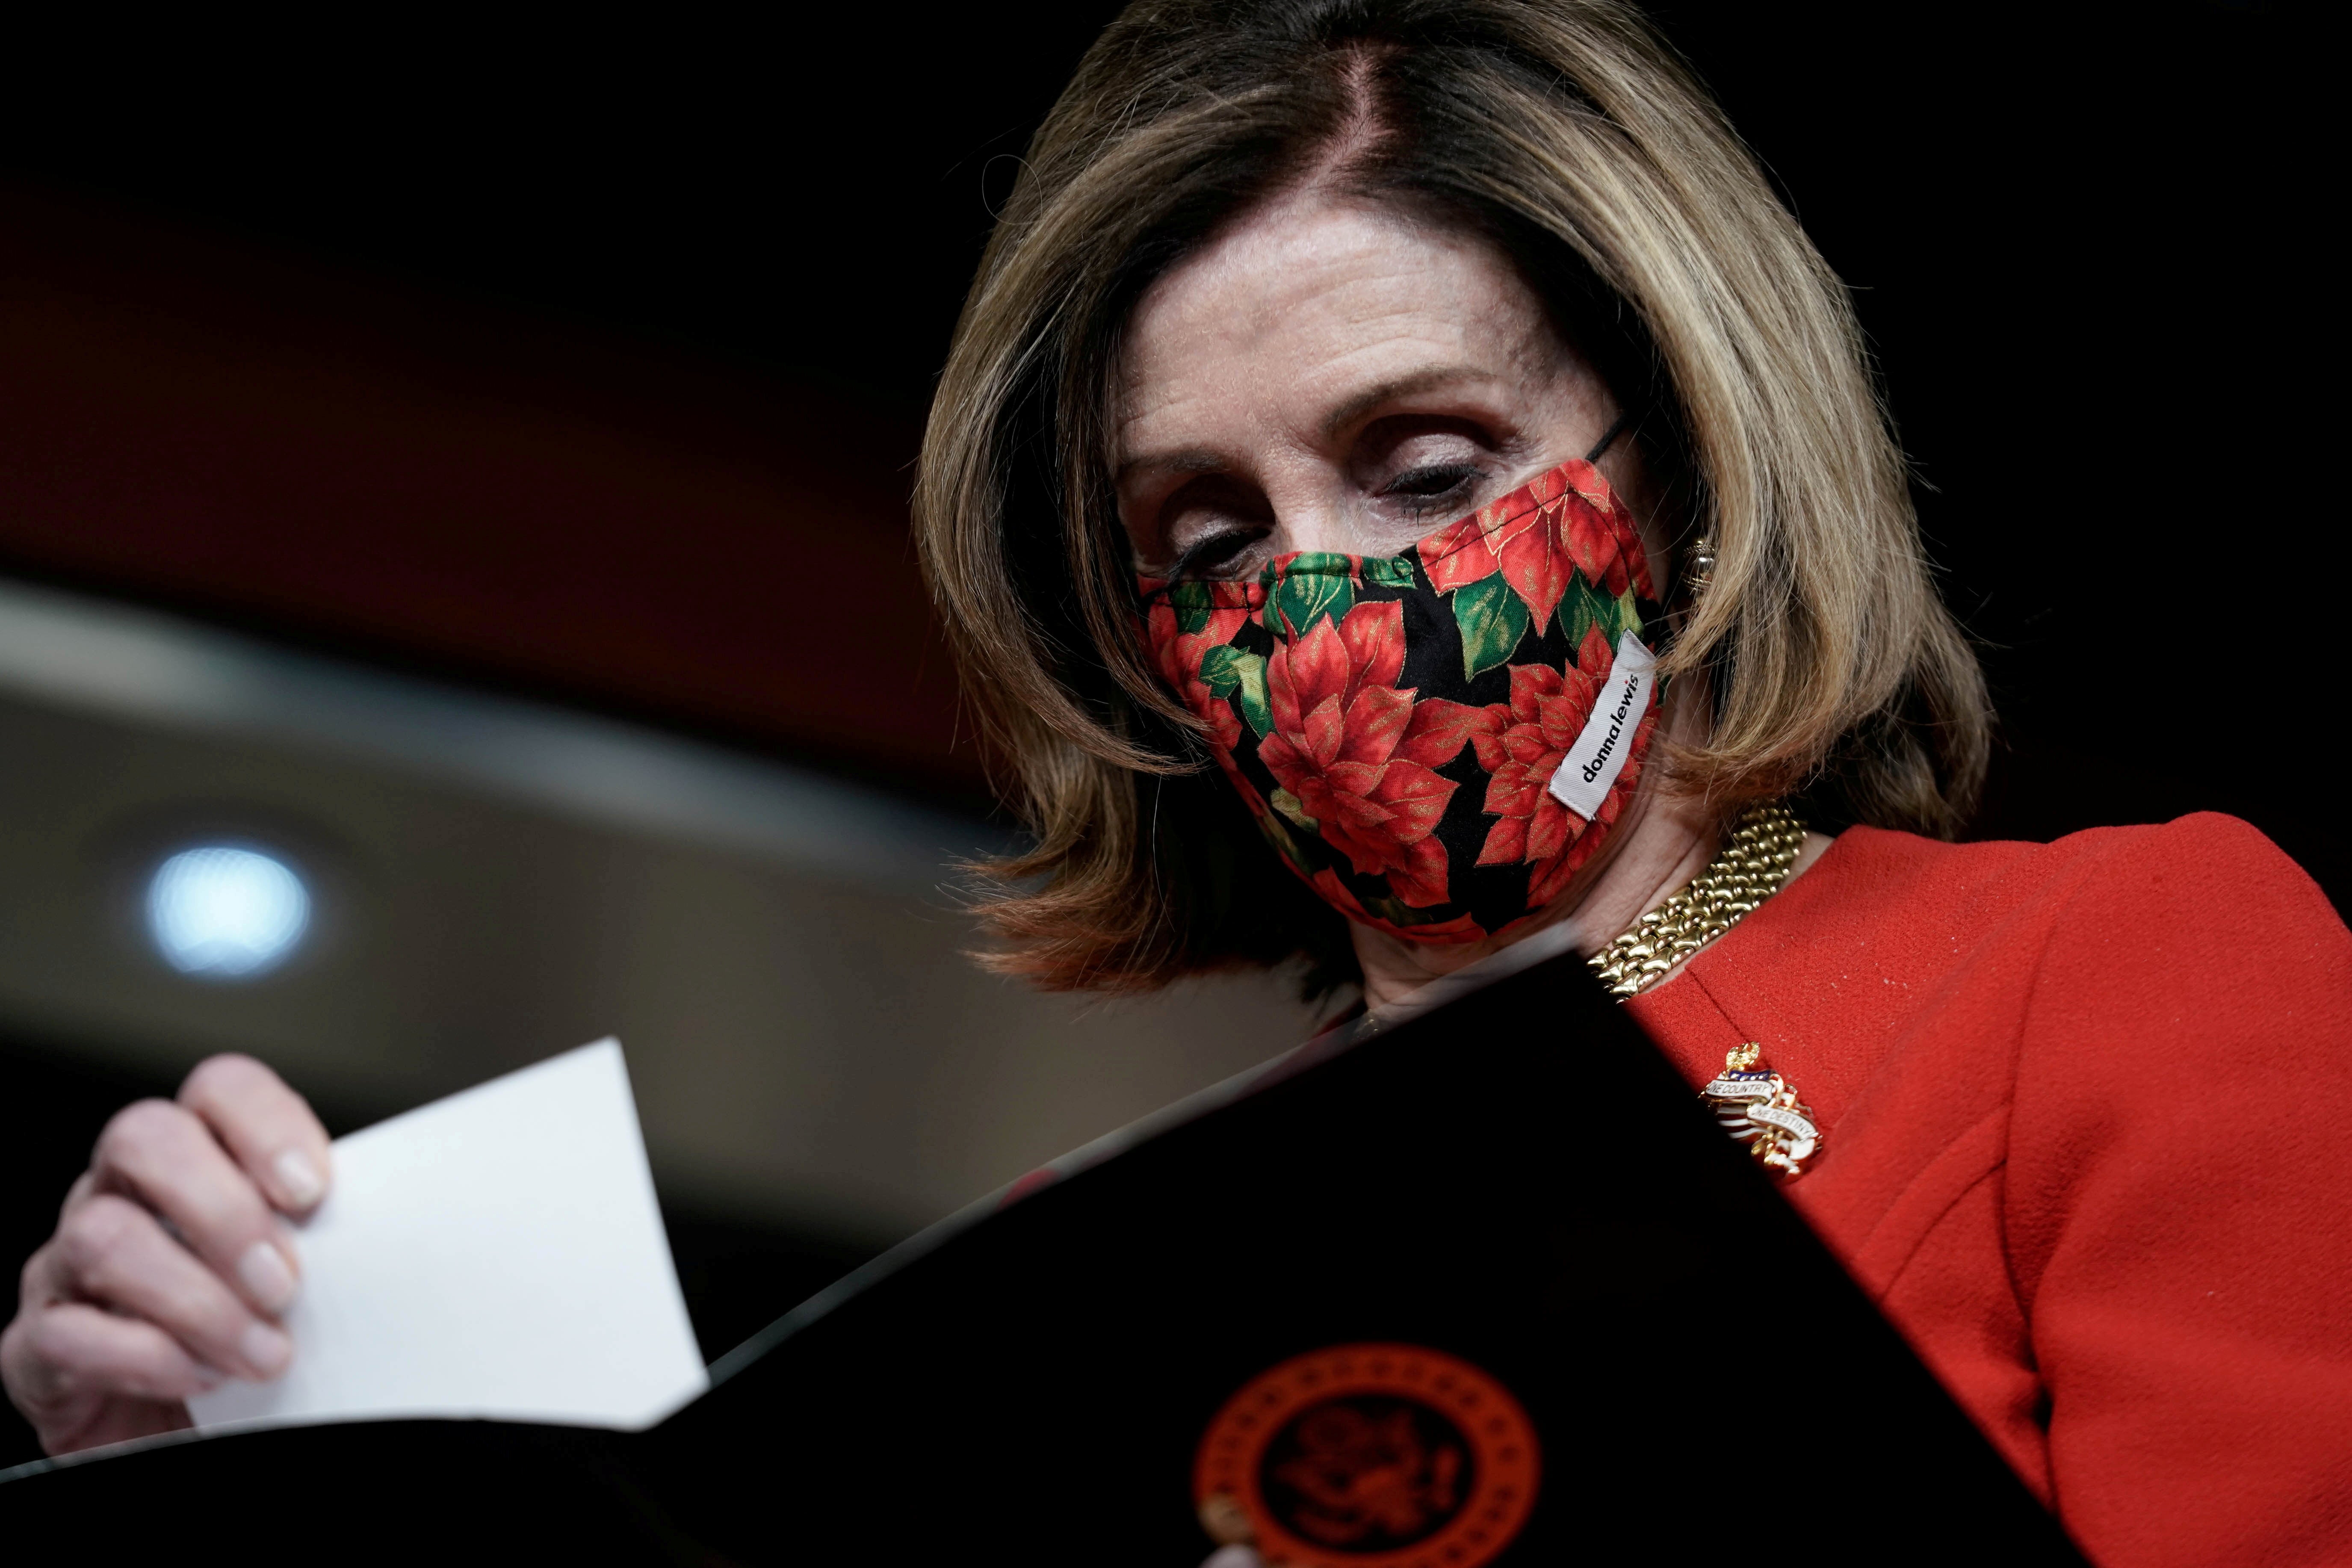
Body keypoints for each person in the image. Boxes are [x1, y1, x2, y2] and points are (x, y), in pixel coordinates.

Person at [8, 4, 2347, 1565]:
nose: (1316, 599)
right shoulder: (1074, 1269)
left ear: (1695, 479)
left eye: (1426, 464)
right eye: (1206, 536)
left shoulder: (2104, 975)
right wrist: (233, 1468)